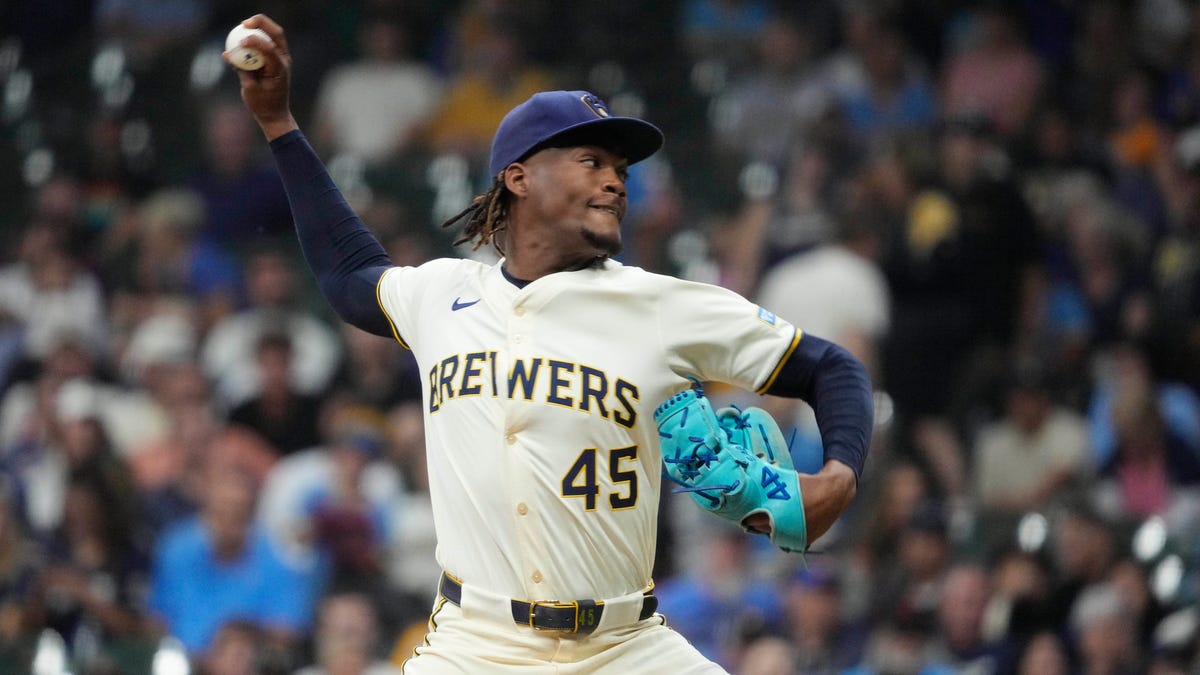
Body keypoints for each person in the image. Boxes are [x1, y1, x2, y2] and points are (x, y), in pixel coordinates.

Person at [225, 14, 873, 672]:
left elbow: (832, 369)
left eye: (620, 169)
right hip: (475, 645)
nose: (615, 181)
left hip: (623, 645)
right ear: (519, 177)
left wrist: (839, 475)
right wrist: (279, 125)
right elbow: (347, 273)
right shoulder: (443, 294)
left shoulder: (662, 305)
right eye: (592, 161)